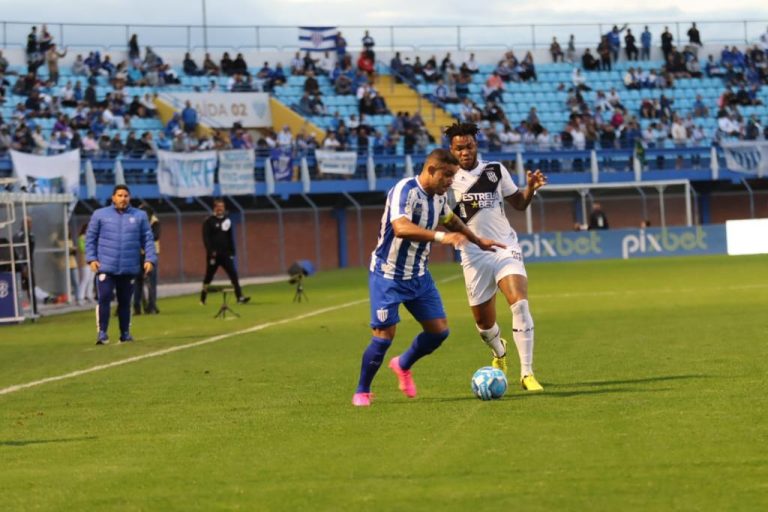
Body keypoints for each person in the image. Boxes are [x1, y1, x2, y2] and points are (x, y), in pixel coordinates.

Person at [352, 149, 505, 407]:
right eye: (446, 175)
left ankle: (402, 365)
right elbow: (400, 228)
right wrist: (441, 237)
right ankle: (362, 390)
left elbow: (451, 220)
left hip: (419, 276)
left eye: (454, 176)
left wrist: (478, 240)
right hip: (388, 275)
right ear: (431, 170)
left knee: (439, 332)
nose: (450, 181)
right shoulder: (405, 190)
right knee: (383, 336)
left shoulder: (438, 198)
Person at [446, 122, 548, 392]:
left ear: (476, 145)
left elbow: (519, 204)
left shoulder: (494, 171)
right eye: (459, 148)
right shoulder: (447, 179)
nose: (465, 152)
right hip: (473, 255)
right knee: (483, 324)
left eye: (469, 146)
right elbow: (441, 217)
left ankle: (527, 374)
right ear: (451, 150)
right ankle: (499, 351)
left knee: (520, 304)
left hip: (505, 248)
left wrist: (531, 189)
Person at [86, 185, 157, 344]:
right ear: (113, 197)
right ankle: (102, 333)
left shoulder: (139, 216)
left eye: (125, 195)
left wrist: (149, 259)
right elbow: (90, 238)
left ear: (129, 198)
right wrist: (91, 259)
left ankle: (125, 333)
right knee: (104, 298)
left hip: (129, 267)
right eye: (119, 195)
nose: (123, 198)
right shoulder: (100, 215)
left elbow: (148, 239)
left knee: (125, 301)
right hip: (106, 266)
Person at [200, 199, 250, 306]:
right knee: (209, 277)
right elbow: (206, 238)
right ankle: (202, 299)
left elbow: (230, 237)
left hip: (226, 254)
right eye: (218, 206)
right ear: (214, 208)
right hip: (213, 255)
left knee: (233, 275)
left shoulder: (227, 221)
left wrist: (232, 252)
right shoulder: (208, 221)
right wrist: (211, 251)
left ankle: (239, 297)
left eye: (222, 206)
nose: (220, 209)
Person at [132, 204, 161, 314]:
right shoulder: (135, 222)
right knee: (137, 281)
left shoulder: (155, 222)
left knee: (151, 281)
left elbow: (156, 236)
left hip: (151, 254)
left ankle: (151, 306)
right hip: (137, 254)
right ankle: (137, 307)